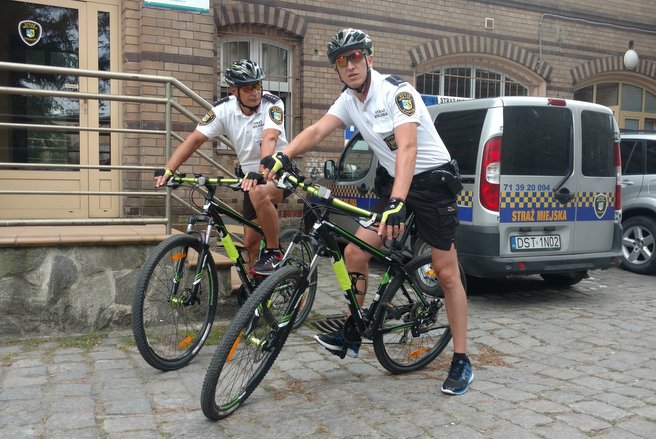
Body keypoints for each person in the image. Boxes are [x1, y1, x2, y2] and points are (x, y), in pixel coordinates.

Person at [261, 29, 473, 395]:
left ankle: (461, 359)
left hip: (431, 183)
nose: (350, 65)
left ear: (369, 58)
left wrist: (397, 202)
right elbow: (316, 130)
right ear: (337, 70)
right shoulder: (348, 100)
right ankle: (352, 331)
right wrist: (285, 154)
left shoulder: (397, 92)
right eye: (341, 61)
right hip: (396, 185)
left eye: (355, 56)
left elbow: (407, 147)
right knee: (355, 251)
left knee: (446, 272)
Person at [155, 59, 288, 275]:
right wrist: (169, 169)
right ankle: (257, 291)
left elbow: (270, 138)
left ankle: (274, 251)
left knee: (258, 190)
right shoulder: (222, 110)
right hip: (249, 177)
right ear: (233, 90)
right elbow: (195, 140)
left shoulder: (272, 104)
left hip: (277, 171)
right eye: (248, 87)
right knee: (250, 242)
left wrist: (263, 172)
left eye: (258, 85)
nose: (255, 92)